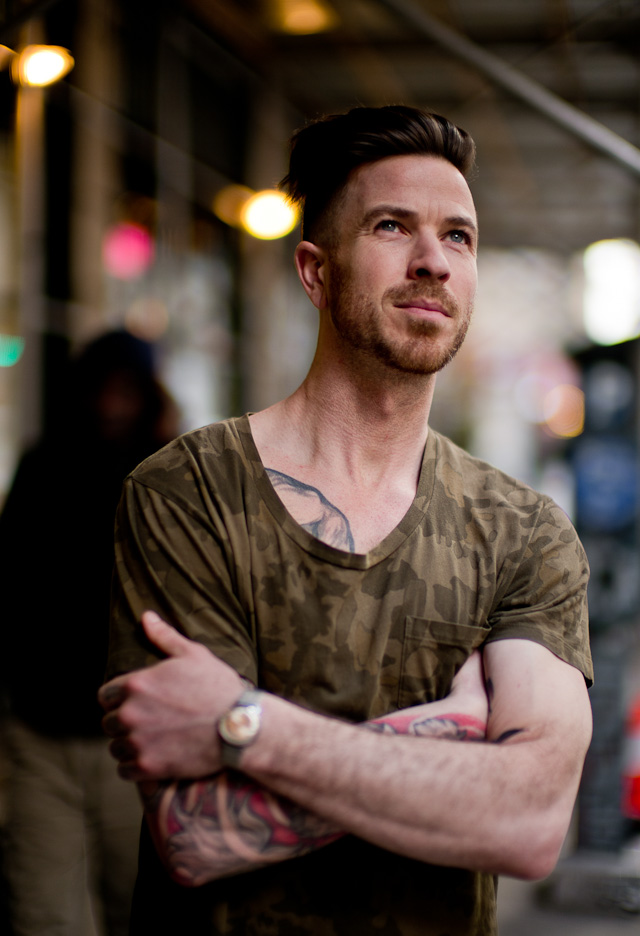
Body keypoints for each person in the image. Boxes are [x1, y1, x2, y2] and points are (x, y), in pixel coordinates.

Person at [99, 106, 593, 936]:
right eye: (392, 226)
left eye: (460, 237)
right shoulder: (189, 491)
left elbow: (532, 821)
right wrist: (460, 737)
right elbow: (192, 833)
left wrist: (240, 723)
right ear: (315, 271)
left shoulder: (524, 531)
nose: (433, 261)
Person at [0, 331, 178, 936]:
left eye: (126, 389)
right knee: (42, 911)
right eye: (100, 389)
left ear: (148, 394)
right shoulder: (42, 465)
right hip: (38, 734)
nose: (111, 405)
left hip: (136, 740)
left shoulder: (173, 478)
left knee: (141, 908)